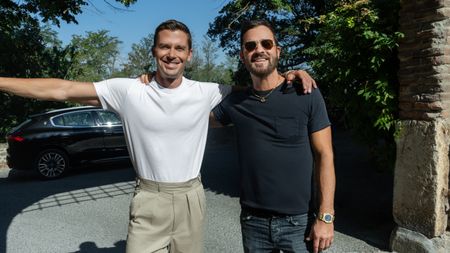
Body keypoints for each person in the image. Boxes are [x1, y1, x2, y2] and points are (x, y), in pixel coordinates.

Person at [0, 19, 316, 253]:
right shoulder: (128, 90)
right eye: (165, 46)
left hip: (192, 197)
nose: (171, 54)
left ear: (190, 55)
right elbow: (62, 89)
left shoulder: (208, 92)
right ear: (154, 51)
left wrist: (291, 74)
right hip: (149, 198)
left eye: (179, 48)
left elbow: (260, 86)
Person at [210, 20, 336, 253]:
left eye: (266, 43)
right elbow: (191, 117)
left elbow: (325, 155)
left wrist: (326, 217)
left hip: (299, 222)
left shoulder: (306, 93)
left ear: (277, 51)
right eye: (250, 46)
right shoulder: (235, 104)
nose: (259, 49)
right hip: (252, 222)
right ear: (242, 55)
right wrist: (157, 82)